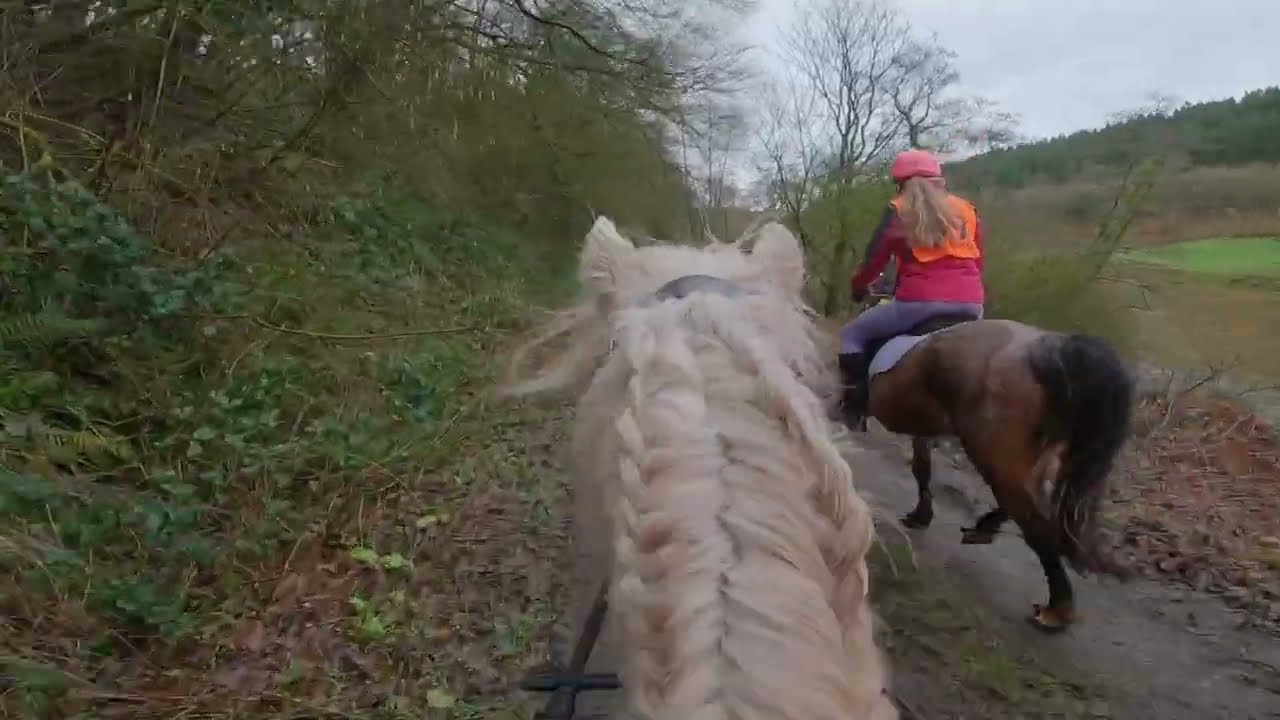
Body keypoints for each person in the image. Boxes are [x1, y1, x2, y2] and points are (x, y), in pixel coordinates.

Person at [838, 148, 986, 427]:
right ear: (939, 180)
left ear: (901, 183)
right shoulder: (968, 210)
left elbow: (874, 261)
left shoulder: (898, 210)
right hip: (971, 302)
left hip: (919, 301)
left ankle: (853, 408)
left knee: (852, 334)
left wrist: (859, 287)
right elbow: (979, 259)